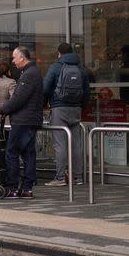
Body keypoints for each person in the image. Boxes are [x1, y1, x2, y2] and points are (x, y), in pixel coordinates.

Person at [43, 43, 90, 187]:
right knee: (76, 144)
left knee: (60, 144)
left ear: (59, 54)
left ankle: (60, 177)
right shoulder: (81, 69)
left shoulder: (55, 67)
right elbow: (86, 90)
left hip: (59, 107)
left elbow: (46, 88)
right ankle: (78, 177)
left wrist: (44, 103)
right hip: (76, 108)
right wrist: (81, 106)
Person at [0, 46, 44, 200]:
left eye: (14, 57)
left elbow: (19, 98)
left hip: (23, 120)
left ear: (22, 58)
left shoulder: (29, 75)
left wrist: (4, 109)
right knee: (28, 153)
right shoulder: (32, 73)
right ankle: (27, 189)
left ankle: (12, 187)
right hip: (30, 119)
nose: (13, 61)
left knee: (12, 152)